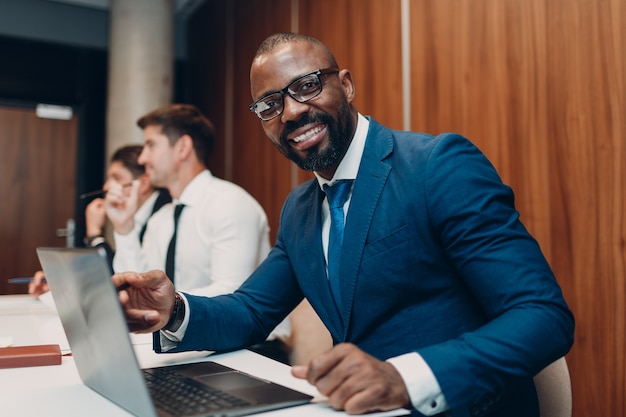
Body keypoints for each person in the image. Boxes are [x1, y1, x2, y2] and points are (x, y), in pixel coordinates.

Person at [113, 33, 575, 417]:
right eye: (270, 105)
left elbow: (543, 317)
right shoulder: (299, 209)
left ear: (347, 85)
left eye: (308, 85)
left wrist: (403, 376)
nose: (291, 112)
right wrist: (174, 310)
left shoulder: (437, 166)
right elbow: (252, 311)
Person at [29, 145, 171, 298]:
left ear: (142, 184)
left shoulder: (164, 217)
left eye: (116, 178)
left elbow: (127, 284)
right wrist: (62, 284)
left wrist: (95, 233)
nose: (106, 186)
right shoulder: (137, 217)